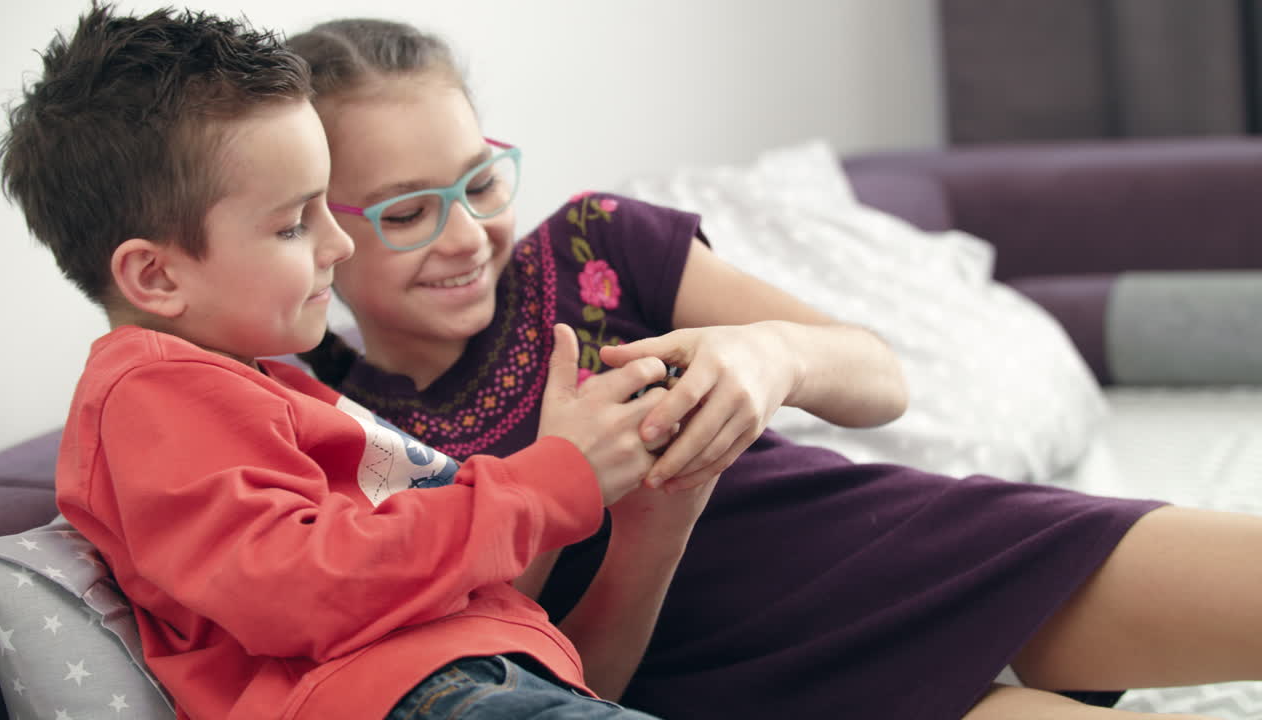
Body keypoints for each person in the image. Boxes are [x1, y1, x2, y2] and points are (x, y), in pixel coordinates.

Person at [286, 16, 1262, 720]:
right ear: (313, 226)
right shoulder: (329, 420)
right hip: (746, 684)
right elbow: (553, 684)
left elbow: (878, 377)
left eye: (480, 182)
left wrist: (769, 356)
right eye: (407, 212)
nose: (464, 236)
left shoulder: (591, 243)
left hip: (903, 550)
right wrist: (640, 526)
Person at [0, 5, 693, 719]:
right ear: (156, 277)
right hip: (414, 696)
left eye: (328, 209)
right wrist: (549, 480)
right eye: (294, 223)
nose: (340, 244)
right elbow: (299, 588)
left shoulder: (253, 387)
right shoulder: (151, 396)